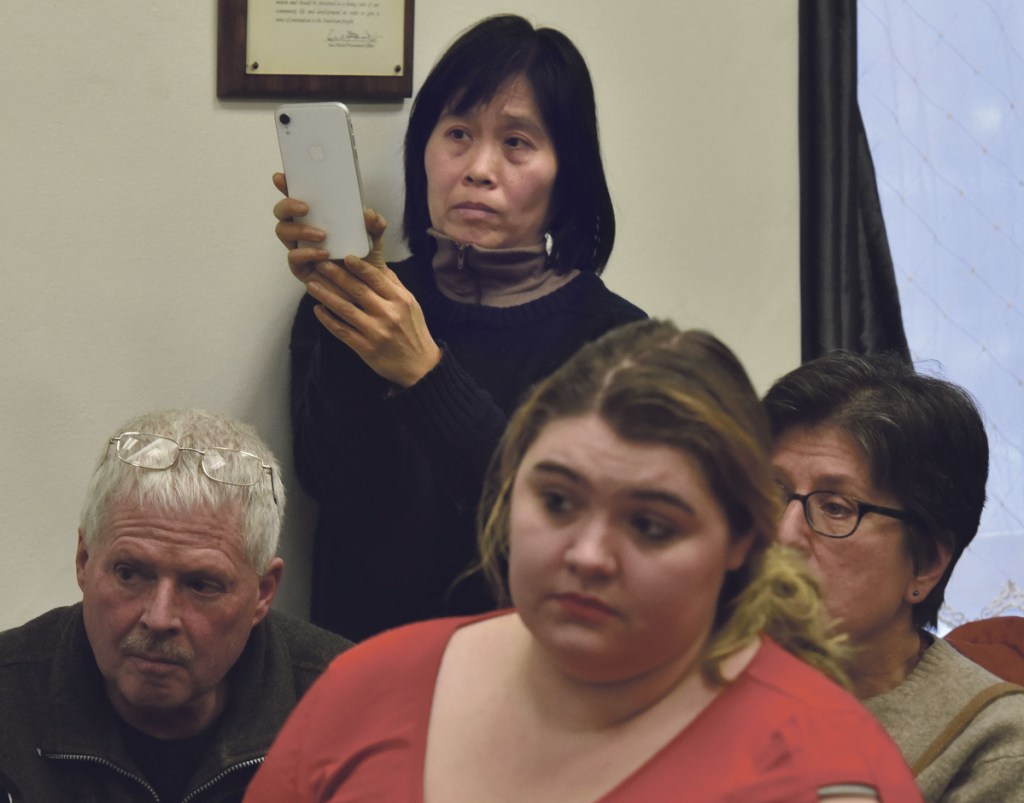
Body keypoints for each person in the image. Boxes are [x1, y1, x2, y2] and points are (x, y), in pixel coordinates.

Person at [243, 320, 921, 802]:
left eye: (651, 525)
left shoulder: (823, 769)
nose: (589, 555)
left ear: (742, 538)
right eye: (559, 501)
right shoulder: (365, 687)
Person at [274, 14, 647, 640]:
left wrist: (426, 373)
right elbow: (330, 483)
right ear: (424, 150)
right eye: (457, 133)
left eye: (517, 142)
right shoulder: (366, 300)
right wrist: (349, 305)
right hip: (356, 672)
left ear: (569, 171)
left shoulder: (619, 344)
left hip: (525, 682)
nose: (478, 167)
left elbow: (560, 532)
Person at [0, 409, 351, 803]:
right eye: (130, 574)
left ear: (263, 593)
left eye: (201, 585)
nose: (159, 618)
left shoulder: (350, 711)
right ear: (84, 561)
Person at [764, 351, 1024, 802]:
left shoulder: (994, 744)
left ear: (926, 563)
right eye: (772, 492)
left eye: (836, 507)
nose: (784, 534)